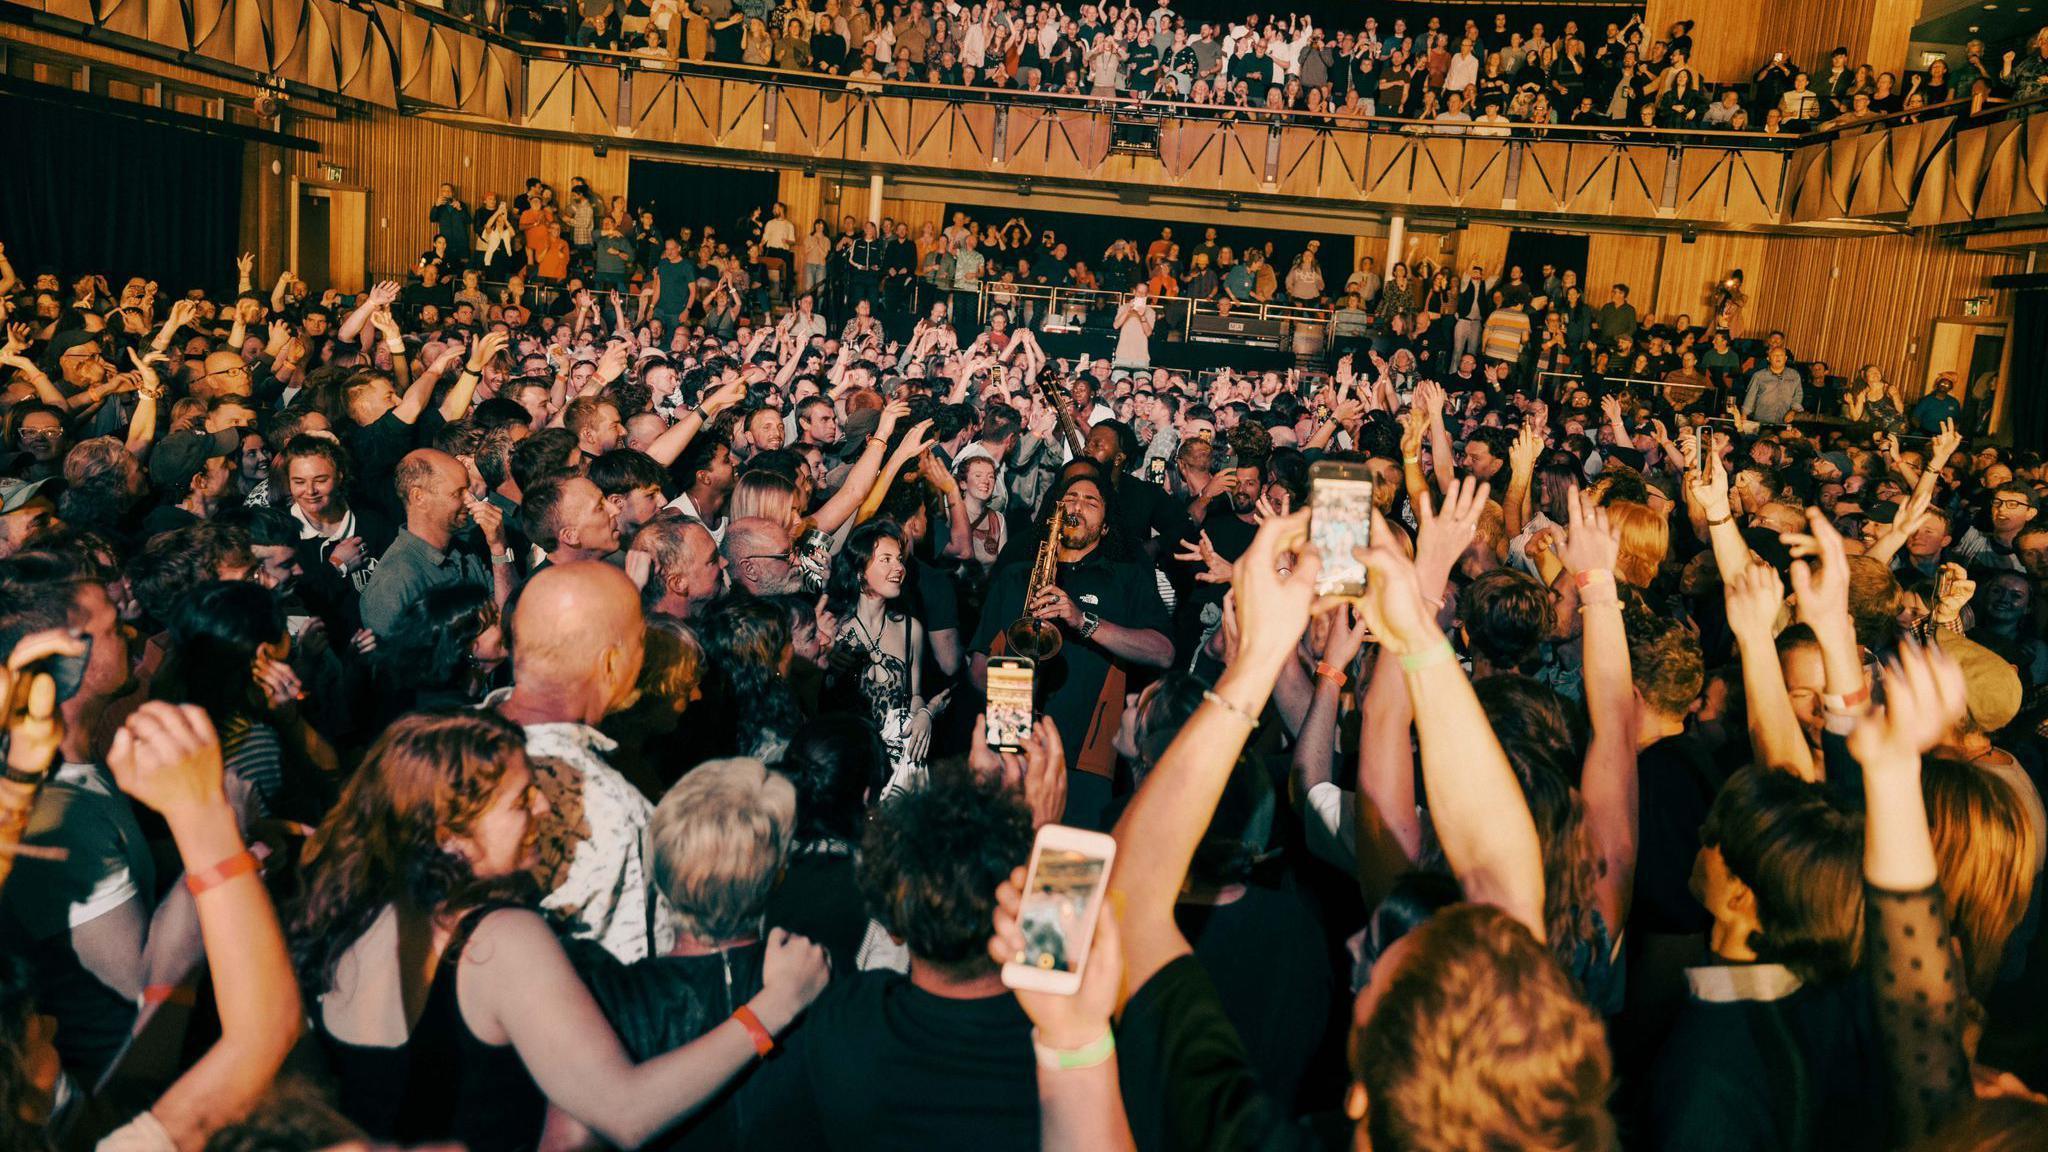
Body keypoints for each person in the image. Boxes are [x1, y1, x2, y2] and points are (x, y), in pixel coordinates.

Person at [293, 709, 829, 1148]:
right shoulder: (499, 940)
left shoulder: (354, 917)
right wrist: (773, 1009)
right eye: (520, 800)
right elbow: (627, 1112)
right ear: (451, 835)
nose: (544, 806)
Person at [971, 472, 1173, 829]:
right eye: (1071, 499)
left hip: (1086, 759)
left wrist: (1083, 621)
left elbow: (1163, 652)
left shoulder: (1127, 579)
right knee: (1002, 868)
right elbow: (978, 663)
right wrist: (1010, 721)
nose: (1077, 505)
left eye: (1091, 502)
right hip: (1010, 747)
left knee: (1064, 875)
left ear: (1107, 527)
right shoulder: (1016, 576)